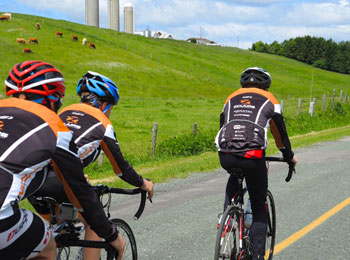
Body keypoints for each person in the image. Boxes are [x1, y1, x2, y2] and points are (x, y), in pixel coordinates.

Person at [0, 61, 124, 260]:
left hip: (30, 199)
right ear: (53, 99)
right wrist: (112, 235)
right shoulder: (55, 127)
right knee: (47, 245)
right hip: (3, 219)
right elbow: (80, 191)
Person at [29, 71, 154, 260]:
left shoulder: (62, 112)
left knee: (57, 227)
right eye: (111, 107)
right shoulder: (102, 123)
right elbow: (121, 169)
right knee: (94, 223)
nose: (111, 111)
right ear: (104, 104)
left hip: (32, 181)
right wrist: (143, 183)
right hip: (59, 180)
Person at [215, 67, 297, 260]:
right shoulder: (271, 100)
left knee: (234, 174)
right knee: (259, 207)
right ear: (266, 86)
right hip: (252, 156)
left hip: (225, 155)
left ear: (243, 85)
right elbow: (280, 135)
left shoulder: (230, 98)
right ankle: (258, 256)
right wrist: (289, 156)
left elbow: (223, 126)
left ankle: (227, 217)